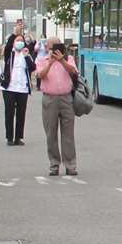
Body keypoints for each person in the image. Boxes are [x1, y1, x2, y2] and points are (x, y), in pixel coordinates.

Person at [35, 38, 79, 177]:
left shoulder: (69, 58)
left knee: (68, 134)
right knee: (50, 133)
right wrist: (50, 63)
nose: (55, 50)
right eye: (52, 47)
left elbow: (74, 72)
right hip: (49, 98)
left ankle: (70, 165)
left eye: (57, 46)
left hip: (66, 98)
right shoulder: (42, 60)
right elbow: (40, 75)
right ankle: (54, 164)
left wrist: (62, 61)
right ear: (47, 48)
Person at [0, 30, 36, 146]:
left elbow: (33, 67)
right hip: (9, 88)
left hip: (22, 88)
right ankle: (9, 137)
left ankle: (18, 137)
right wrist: (15, 33)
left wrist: (26, 56)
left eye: (21, 41)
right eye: (17, 40)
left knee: (21, 113)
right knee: (9, 113)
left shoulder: (26, 54)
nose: (20, 42)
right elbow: (9, 44)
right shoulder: (9, 54)